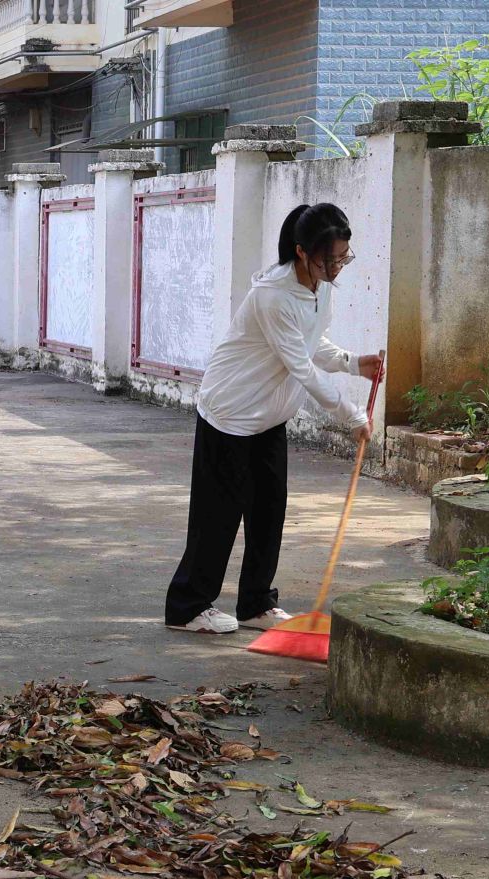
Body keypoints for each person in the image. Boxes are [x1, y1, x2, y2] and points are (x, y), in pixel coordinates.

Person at [164, 202, 381, 635]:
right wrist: (352, 414)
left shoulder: (318, 287)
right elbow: (301, 367)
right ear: (302, 252)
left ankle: (256, 604)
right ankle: (187, 606)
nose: (337, 267)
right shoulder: (273, 296)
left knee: (268, 511)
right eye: (331, 259)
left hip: (268, 417)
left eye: (343, 257)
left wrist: (354, 363)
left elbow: (312, 342)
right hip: (230, 413)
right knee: (218, 516)